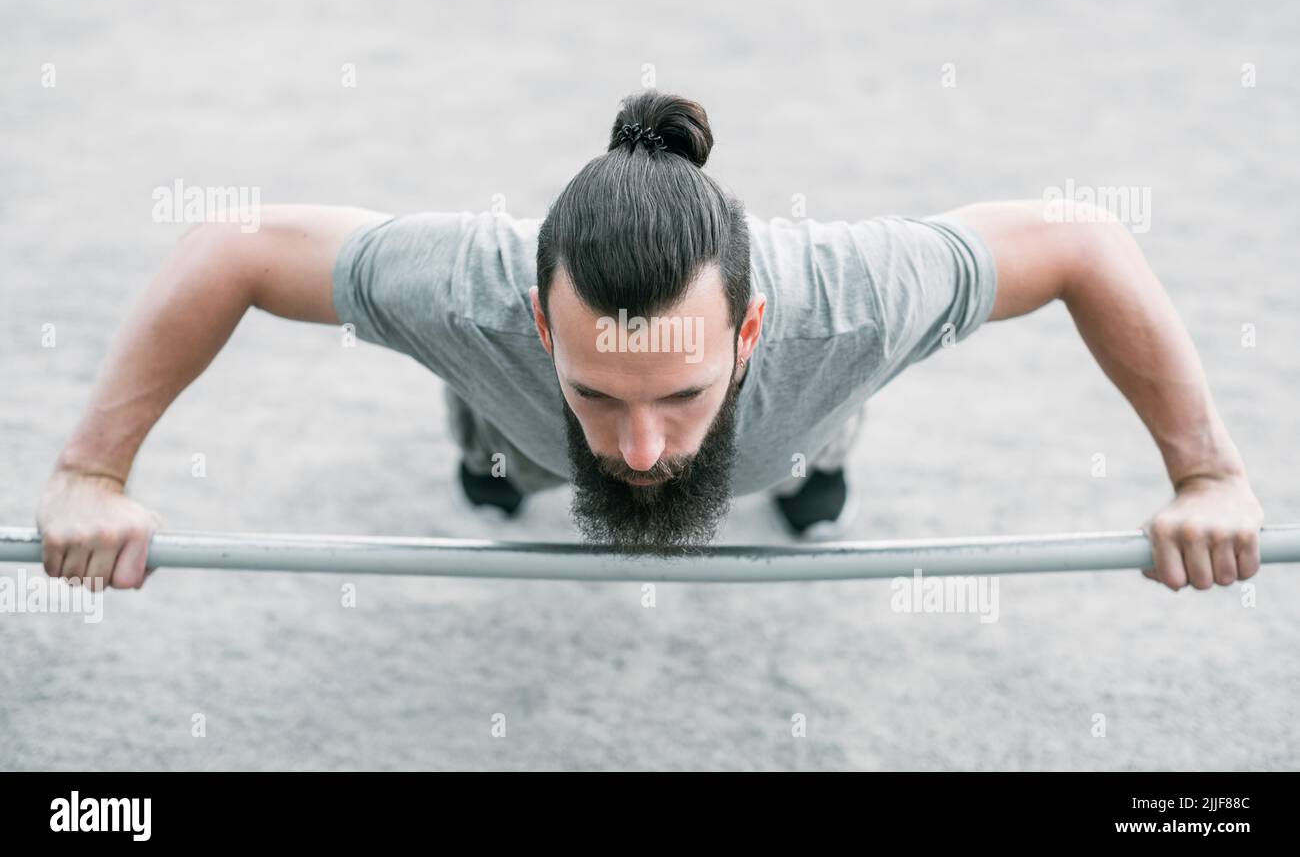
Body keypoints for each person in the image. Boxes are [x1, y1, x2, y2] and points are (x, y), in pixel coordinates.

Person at [36, 89, 1263, 586]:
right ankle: (499, 434)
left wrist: (1205, 472)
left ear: (750, 326)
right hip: (511, 402)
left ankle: (816, 458)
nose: (636, 447)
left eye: (678, 392)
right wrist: (92, 470)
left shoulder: (852, 297)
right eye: (602, 391)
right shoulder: (465, 289)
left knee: (810, 433)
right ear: (534, 314)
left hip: (805, 398)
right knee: (514, 440)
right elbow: (233, 247)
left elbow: (1087, 244)